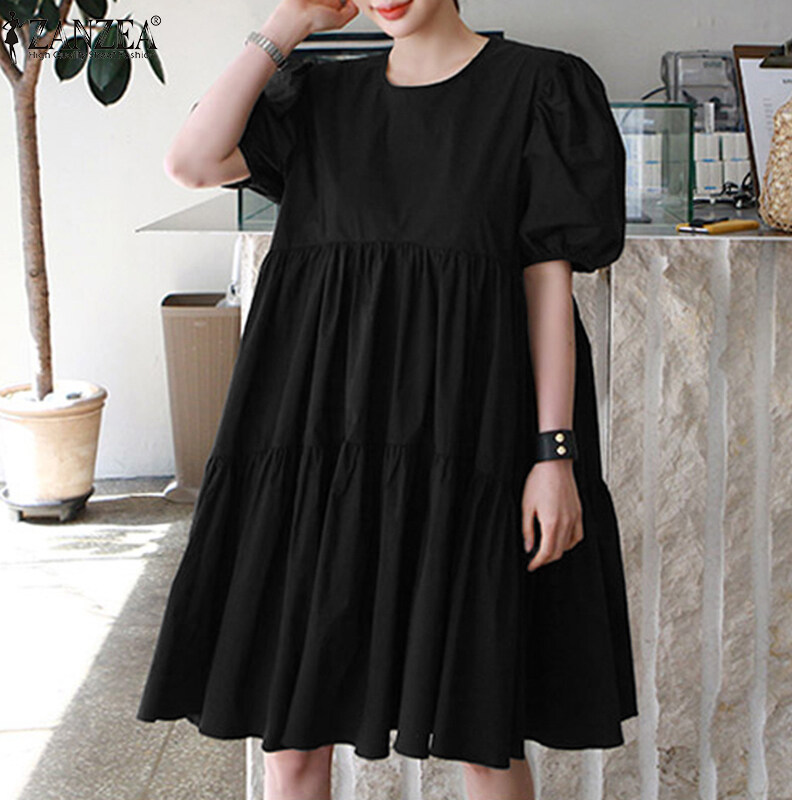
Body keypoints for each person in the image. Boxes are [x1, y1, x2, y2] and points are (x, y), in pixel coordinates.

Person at [136, 1, 639, 798]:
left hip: (467, 437)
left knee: (484, 734)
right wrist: (290, 21)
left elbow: (547, 287)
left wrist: (555, 454)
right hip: (316, 440)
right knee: (292, 738)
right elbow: (192, 162)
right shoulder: (318, 95)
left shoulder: (540, 87)